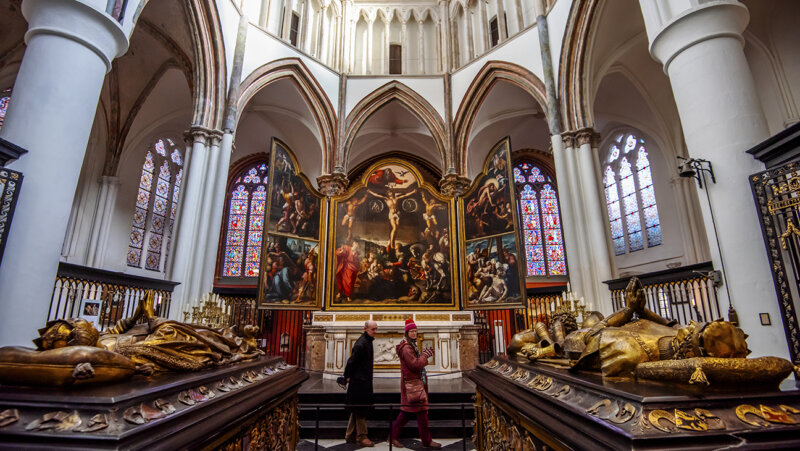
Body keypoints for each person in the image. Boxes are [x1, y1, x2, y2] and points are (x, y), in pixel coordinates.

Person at [390, 319, 441, 449]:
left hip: (415, 383)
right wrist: (424, 356)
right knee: (412, 413)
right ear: (407, 332)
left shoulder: (411, 345)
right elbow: (415, 365)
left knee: (414, 413)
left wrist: (423, 356)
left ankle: (423, 440)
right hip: (412, 384)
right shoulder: (407, 348)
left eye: (415, 331)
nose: (414, 333)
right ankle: (424, 441)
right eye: (411, 331)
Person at [344, 320, 377, 446]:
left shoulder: (367, 341)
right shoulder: (361, 343)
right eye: (373, 329)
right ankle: (362, 436)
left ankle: (349, 434)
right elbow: (351, 362)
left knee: (356, 408)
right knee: (361, 408)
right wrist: (347, 376)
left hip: (363, 379)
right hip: (359, 381)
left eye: (376, 329)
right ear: (365, 329)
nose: (375, 332)